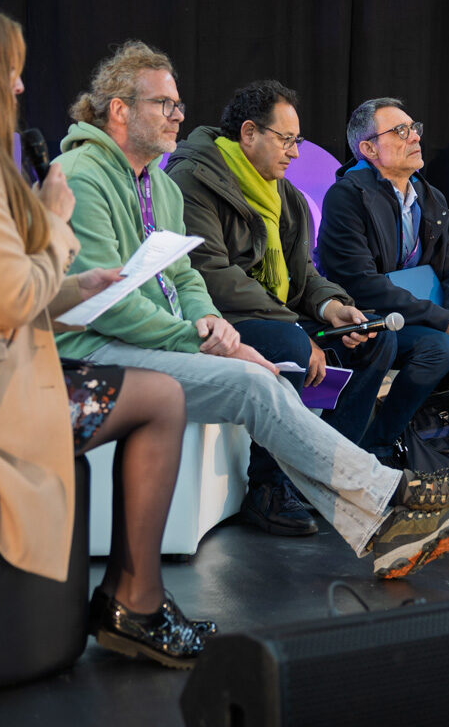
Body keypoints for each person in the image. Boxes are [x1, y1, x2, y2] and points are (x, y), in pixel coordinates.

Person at [53, 40, 449, 581]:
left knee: (331, 356)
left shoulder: (160, 186)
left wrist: (315, 308)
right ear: (119, 109)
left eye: (179, 103)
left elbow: (186, 275)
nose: (179, 114)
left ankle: (379, 518)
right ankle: (386, 494)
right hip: (97, 350)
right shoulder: (82, 175)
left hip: (168, 337)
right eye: (164, 104)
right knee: (263, 378)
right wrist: (208, 335)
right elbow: (109, 304)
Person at [0, 1, 214, 670]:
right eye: (12, 71)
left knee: (163, 393)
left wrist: (85, 284)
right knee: (161, 398)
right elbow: (16, 296)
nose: (21, 86)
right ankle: (135, 603)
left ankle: (134, 599)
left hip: (6, 365)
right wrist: (51, 221)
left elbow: (10, 290)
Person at [165, 80, 394, 536]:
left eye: (298, 141)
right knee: (289, 343)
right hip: (216, 318)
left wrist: (332, 307)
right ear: (249, 133)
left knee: (375, 340)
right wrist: (297, 325)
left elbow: (302, 273)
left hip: (269, 311)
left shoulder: (284, 194)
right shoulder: (193, 179)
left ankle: (327, 483)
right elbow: (210, 273)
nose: (294, 152)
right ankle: (267, 489)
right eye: (285, 140)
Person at [316, 97, 449, 469]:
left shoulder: (430, 196)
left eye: (414, 129)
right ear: (368, 148)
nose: (414, 138)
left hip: (425, 315)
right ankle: (382, 442)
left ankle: (447, 436)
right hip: (371, 317)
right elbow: (361, 284)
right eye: (400, 131)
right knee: (439, 348)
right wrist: (444, 321)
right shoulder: (347, 196)